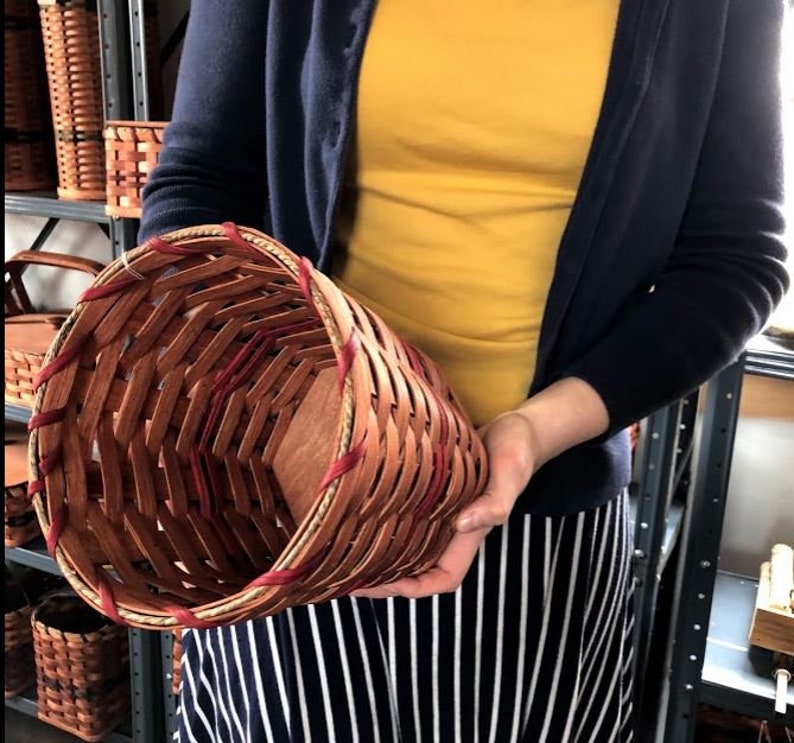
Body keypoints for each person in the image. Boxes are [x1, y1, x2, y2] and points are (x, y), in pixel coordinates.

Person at [139, 2, 790, 741]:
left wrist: (536, 432)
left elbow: (738, 259)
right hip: (297, 492)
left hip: (541, 506)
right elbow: (200, 183)